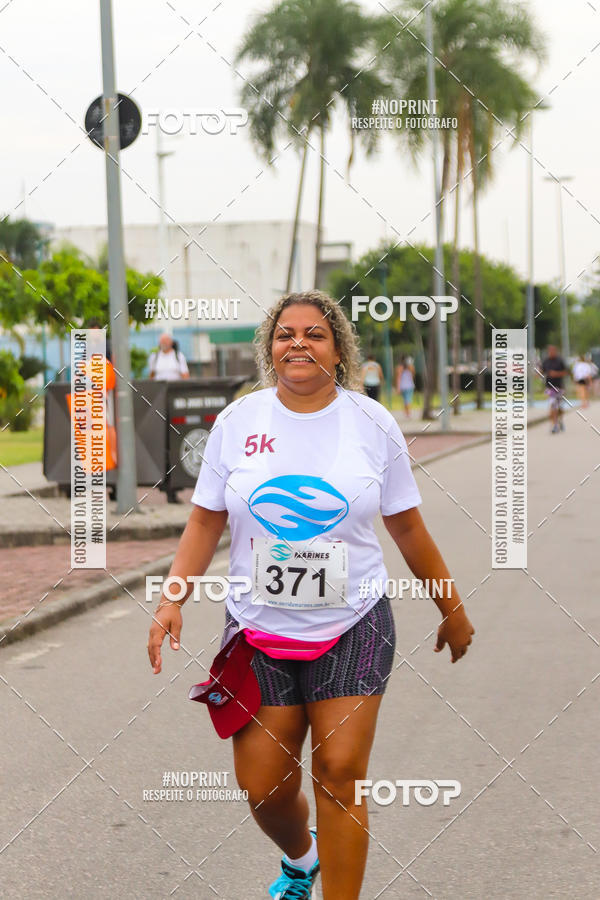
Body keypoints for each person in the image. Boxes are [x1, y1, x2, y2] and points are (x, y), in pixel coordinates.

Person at [147, 290, 475, 900]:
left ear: (339, 349)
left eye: (315, 334)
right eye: (285, 333)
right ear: (269, 348)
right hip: (256, 628)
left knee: (341, 773)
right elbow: (203, 522)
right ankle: (303, 857)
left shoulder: (372, 422)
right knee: (264, 787)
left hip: (354, 623)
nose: (298, 343)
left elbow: (406, 526)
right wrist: (171, 599)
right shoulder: (238, 422)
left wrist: (450, 609)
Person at [541, 345, 568, 433]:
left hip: (559, 387)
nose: (551, 352)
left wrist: (556, 374)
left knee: (559, 407)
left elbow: (566, 372)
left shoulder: (560, 361)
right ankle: (554, 425)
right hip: (549, 388)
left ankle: (560, 420)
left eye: (553, 351)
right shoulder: (546, 361)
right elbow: (542, 371)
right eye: (550, 351)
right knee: (553, 406)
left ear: (555, 351)